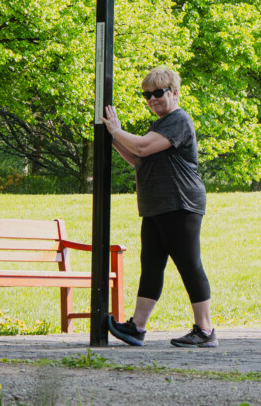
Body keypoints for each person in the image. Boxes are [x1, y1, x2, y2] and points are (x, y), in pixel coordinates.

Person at [100, 66, 217, 348]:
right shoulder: (160, 125)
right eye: (147, 95)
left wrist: (117, 130)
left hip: (180, 203)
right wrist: (113, 138)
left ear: (174, 93)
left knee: (189, 264)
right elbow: (139, 159)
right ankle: (137, 327)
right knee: (151, 265)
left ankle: (205, 330)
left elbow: (141, 148)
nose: (152, 99)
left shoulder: (178, 120)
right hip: (156, 206)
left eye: (158, 93)